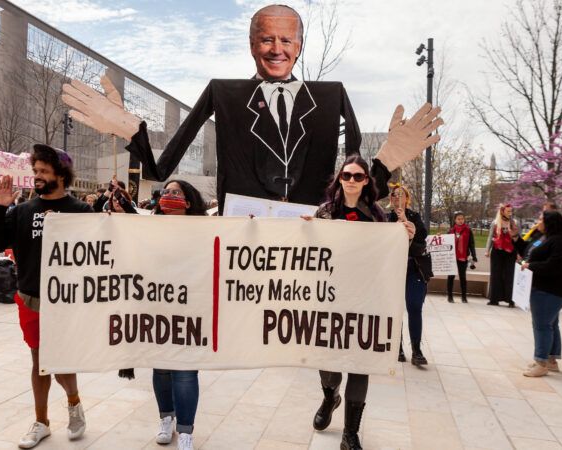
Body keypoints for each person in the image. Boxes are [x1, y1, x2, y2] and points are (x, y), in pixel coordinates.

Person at [62, 5, 442, 212]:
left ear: (299, 45)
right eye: (266, 39)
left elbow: (354, 184)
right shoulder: (223, 93)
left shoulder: (332, 96)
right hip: (245, 241)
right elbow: (159, 170)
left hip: (309, 238)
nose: (277, 48)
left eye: (286, 39)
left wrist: (387, 159)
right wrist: (133, 131)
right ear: (251, 44)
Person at [0, 144, 92, 449]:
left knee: (60, 360)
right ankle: (41, 422)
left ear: (61, 174)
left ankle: (74, 405)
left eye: (44, 171)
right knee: (39, 360)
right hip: (30, 296)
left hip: (67, 300)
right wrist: (0, 207)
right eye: (35, 171)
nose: (37, 176)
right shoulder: (22, 211)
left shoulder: (81, 210)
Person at [306, 155, 403, 450]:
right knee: (328, 362)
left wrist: (404, 235)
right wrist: (303, 231)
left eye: (358, 176)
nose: (351, 181)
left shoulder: (376, 215)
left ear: (366, 181)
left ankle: (351, 433)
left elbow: (386, 255)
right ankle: (330, 395)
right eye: (346, 175)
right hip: (329, 299)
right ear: (339, 179)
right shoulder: (323, 212)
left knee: (360, 364)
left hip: (365, 300)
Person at [149, 179, 207, 450]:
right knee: (161, 369)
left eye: (176, 192)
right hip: (157, 308)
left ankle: (185, 431)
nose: (169, 195)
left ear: (188, 201)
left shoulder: (204, 230)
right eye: (166, 192)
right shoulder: (147, 229)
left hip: (190, 310)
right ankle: (166, 418)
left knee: (185, 372)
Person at [520, 211, 562, 377]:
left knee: (542, 325)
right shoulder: (550, 238)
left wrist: (531, 266)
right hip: (549, 288)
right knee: (551, 324)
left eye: (540, 220)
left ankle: (541, 362)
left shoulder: (561, 241)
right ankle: (551, 360)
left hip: (550, 290)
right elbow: (528, 249)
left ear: (550, 222)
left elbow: (554, 266)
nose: (538, 222)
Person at [388, 183, 432, 366]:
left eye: (401, 195)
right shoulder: (385, 218)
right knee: (394, 308)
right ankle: (396, 347)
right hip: (392, 270)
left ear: (407, 198)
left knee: (414, 306)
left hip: (414, 268)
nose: (397, 198)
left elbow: (421, 240)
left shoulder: (415, 217)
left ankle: (416, 349)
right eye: (394, 195)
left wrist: (406, 220)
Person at [485, 204, 519, 307]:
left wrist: (518, 253)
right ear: (502, 212)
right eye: (508, 211)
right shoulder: (495, 223)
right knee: (496, 275)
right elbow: (490, 237)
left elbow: (518, 239)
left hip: (510, 252)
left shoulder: (514, 223)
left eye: (511, 211)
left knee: (510, 275)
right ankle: (494, 299)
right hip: (497, 251)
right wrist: (487, 250)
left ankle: (510, 300)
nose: (510, 213)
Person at [446, 211, 476, 303]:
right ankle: (450, 296)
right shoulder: (451, 231)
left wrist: (474, 256)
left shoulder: (468, 230)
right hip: (452, 258)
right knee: (451, 277)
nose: (460, 221)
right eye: (458, 219)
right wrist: (439, 237)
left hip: (463, 258)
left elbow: (471, 244)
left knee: (463, 277)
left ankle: (464, 297)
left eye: (462, 219)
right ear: (455, 220)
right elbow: (445, 242)